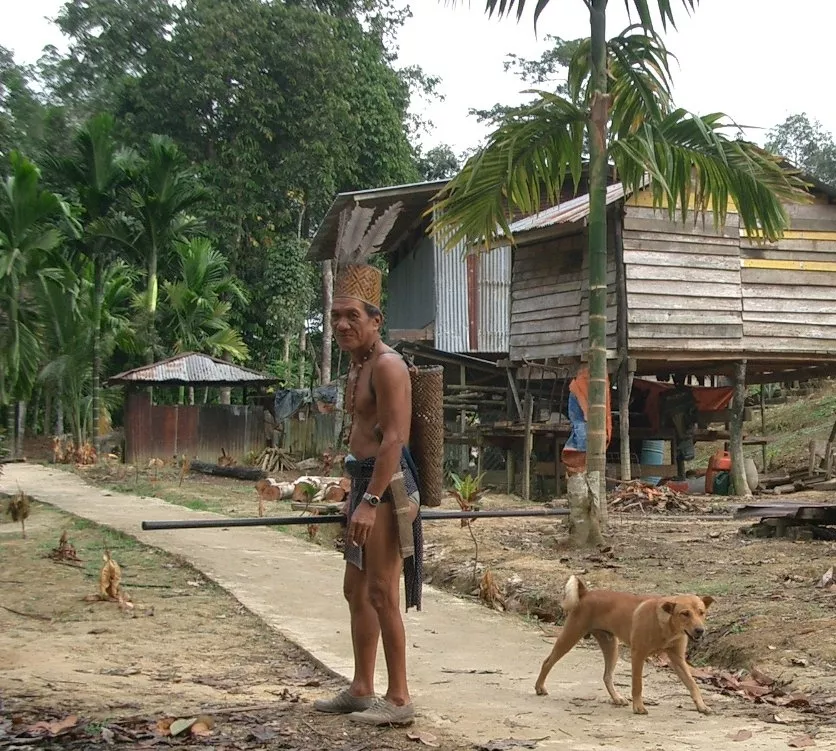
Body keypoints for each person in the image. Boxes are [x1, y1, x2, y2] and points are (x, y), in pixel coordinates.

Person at [313, 261, 423, 726]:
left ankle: (398, 700)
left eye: (351, 316)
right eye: (335, 316)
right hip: (364, 483)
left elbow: (394, 440)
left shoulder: (388, 365)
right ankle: (362, 688)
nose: (341, 324)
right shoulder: (359, 365)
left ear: (376, 321)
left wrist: (371, 499)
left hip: (388, 487)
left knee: (380, 591)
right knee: (355, 589)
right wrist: (351, 488)